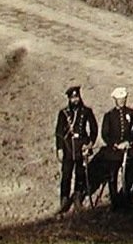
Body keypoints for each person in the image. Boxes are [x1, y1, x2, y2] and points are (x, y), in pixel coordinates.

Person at [55, 85, 98, 213]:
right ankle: (64, 200)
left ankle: (78, 198)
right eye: (73, 98)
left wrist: (89, 144)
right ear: (69, 99)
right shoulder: (64, 113)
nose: (75, 100)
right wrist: (60, 149)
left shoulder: (86, 111)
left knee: (80, 174)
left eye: (77, 97)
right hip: (68, 148)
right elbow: (59, 133)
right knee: (66, 175)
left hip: (81, 148)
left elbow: (94, 129)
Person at [100, 87, 133, 207]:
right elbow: (105, 134)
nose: (122, 101)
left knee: (129, 174)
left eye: (124, 98)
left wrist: (130, 142)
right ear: (115, 100)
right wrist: (115, 145)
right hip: (114, 151)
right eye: (120, 99)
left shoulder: (131, 113)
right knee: (113, 175)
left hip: (128, 150)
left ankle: (126, 197)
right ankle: (114, 201)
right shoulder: (109, 115)